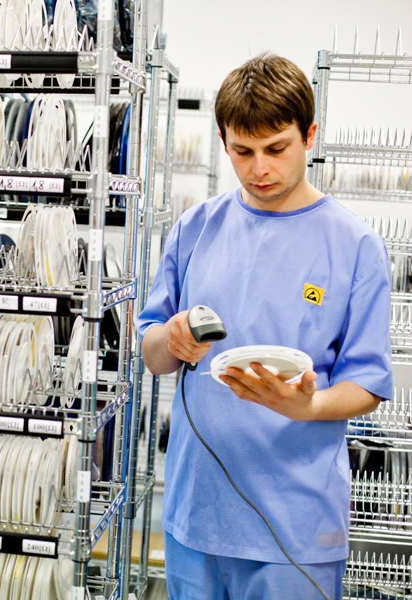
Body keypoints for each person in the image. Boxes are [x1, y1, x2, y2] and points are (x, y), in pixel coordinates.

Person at [136, 54, 394, 599]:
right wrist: (171, 339)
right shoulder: (194, 229)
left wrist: (308, 407)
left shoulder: (355, 247)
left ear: (309, 135)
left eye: (277, 149)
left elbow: (368, 385)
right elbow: (152, 352)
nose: (259, 169)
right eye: (242, 151)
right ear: (224, 141)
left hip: (296, 530)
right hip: (196, 515)